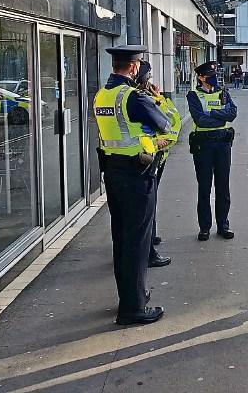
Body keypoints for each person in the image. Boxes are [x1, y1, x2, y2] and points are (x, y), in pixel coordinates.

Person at [94, 45, 172, 326]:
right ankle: (133, 307)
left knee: (122, 238)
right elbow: (165, 124)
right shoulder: (134, 97)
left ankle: (130, 295)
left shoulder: (103, 94)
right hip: (137, 174)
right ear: (135, 67)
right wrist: (158, 99)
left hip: (113, 173)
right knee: (138, 242)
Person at [135, 60, 180, 268]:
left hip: (148, 156)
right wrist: (159, 100)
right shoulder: (141, 99)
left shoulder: (143, 97)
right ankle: (149, 252)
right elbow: (169, 121)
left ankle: (150, 238)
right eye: (149, 77)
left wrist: (159, 97)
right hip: (148, 157)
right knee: (145, 207)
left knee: (144, 208)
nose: (151, 81)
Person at [187, 61, 237, 241]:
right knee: (205, 187)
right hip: (203, 145)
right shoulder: (193, 95)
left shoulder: (223, 92)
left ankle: (223, 225)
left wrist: (212, 113)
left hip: (223, 143)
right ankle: (205, 227)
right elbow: (200, 120)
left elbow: (232, 114)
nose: (214, 78)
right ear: (201, 77)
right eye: (209, 75)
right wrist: (220, 117)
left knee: (223, 186)